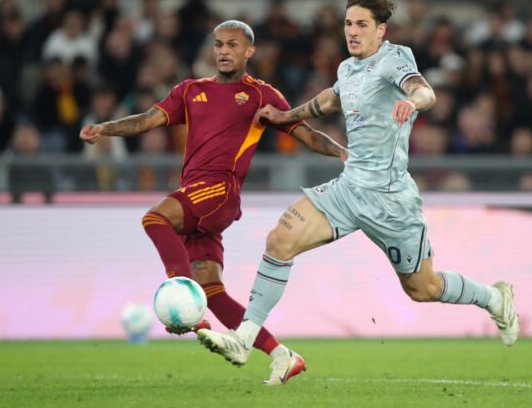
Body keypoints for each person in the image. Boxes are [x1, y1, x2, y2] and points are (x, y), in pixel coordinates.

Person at [197, 0, 520, 371]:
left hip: (390, 200)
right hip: (349, 190)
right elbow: (330, 99)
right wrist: (285, 116)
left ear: (381, 29)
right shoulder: (347, 68)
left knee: (424, 288)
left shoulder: (394, 59)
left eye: (361, 24)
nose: (352, 31)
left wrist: (411, 101)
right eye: (348, 23)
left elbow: (425, 91)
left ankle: (494, 298)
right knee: (280, 240)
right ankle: (244, 340)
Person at [80, 20, 347, 385]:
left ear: (249, 51)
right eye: (219, 44)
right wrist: (105, 128)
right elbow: (146, 121)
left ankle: (180, 294)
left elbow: (306, 134)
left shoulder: (261, 94)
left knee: (155, 220)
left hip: (220, 189)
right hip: (197, 194)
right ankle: (283, 356)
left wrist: (344, 153)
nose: (223, 51)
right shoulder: (191, 90)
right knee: (213, 291)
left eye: (232, 45)